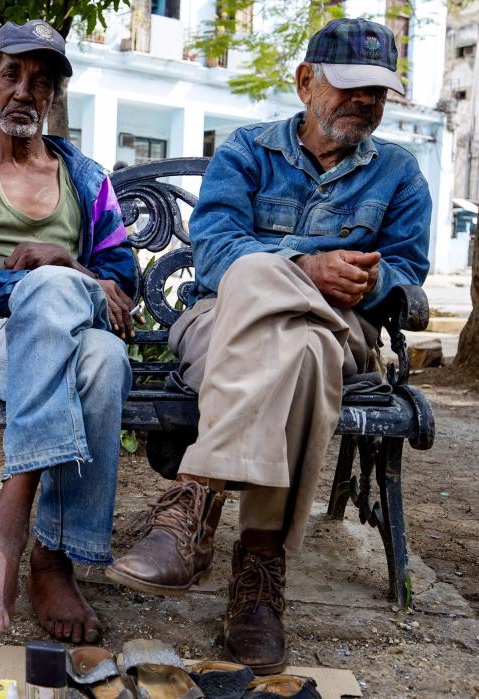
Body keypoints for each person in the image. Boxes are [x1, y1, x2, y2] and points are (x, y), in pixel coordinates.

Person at [107, 18, 431, 674]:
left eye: (378, 92)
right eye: (351, 87)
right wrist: (309, 269)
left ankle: (193, 503)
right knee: (283, 320)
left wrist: (372, 279)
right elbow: (219, 257)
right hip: (220, 321)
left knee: (309, 343)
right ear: (306, 82)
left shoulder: (399, 173)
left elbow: (408, 281)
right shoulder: (247, 151)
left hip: (344, 329)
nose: (365, 103)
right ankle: (258, 575)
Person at [0, 20, 138, 644]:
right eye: (11, 75)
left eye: (40, 82)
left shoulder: (87, 178)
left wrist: (65, 264)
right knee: (82, 334)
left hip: (61, 338)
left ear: (52, 99)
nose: (23, 91)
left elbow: (123, 282)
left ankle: (27, 550)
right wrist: (58, 280)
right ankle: (38, 553)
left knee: (90, 342)